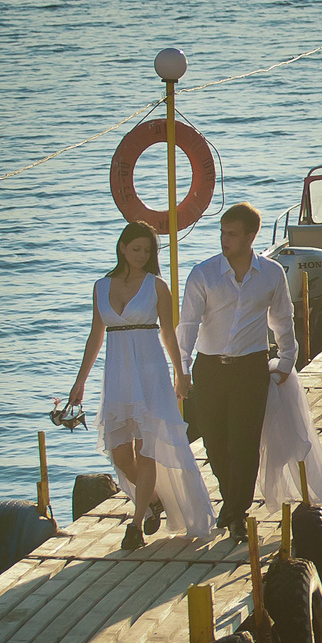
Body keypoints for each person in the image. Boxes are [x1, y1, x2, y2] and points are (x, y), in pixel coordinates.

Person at [65, 222, 214, 542]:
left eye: (147, 251)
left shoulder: (157, 286)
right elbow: (95, 335)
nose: (142, 255)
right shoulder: (101, 286)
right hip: (117, 373)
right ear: (122, 247)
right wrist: (79, 384)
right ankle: (155, 500)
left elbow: (169, 333)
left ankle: (135, 525)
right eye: (136, 249)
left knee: (148, 450)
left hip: (150, 372)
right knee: (120, 454)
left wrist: (181, 372)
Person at [178, 201, 296, 540]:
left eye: (232, 234)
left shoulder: (272, 273)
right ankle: (232, 506)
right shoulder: (203, 274)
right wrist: (182, 369)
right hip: (210, 369)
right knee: (215, 442)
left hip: (250, 368)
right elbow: (187, 324)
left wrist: (287, 359)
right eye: (222, 233)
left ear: (250, 236)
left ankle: (236, 511)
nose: (224, 240)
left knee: (244, 443)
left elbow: (281, 319)